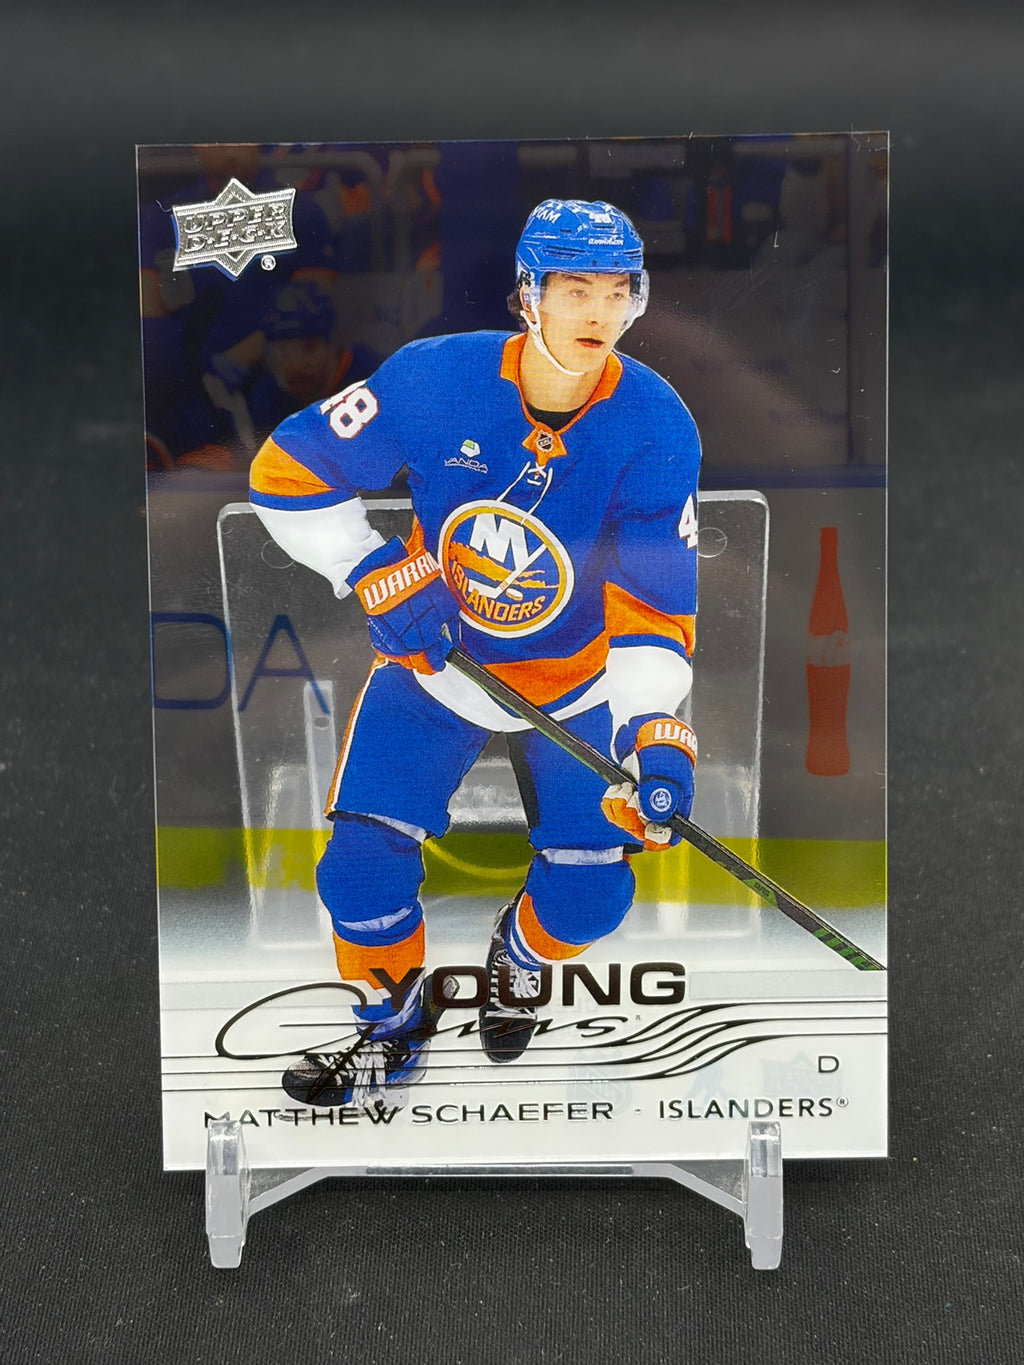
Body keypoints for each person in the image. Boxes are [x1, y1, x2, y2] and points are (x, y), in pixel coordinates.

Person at [249, 199, 701, 1105]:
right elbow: (285, 471)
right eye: (575, 289)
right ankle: (390, 1018)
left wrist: (655, 731)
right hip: (437, 669)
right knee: (358, 871)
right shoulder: (435, 377)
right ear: (527, 294)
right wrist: (372, 568)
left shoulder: (657, 424)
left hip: (575, 686)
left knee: (591, 898)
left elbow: (653, 606)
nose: (599, 314)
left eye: (618, 292)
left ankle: (518, 954)